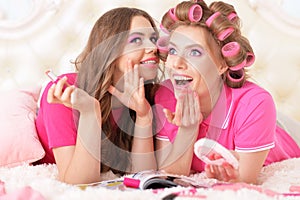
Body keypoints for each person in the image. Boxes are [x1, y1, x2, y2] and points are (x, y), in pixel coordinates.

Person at [154, 0, 300, 184]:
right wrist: (188, 128)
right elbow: (173, 174)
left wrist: (233, 174)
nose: (176, 64)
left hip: (283, 130)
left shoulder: (255, 104)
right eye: (173, 50)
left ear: (222, 64)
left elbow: (245, 180)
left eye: (194, 53)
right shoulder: (165, 96)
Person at [35, 7, 163, 184]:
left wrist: (143, 116)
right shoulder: (67, 91)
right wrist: (90, 112)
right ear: (110, 49)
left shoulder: (149, 95)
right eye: (137, 40)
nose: (152, 48)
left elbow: (144, 178)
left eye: (153, 39)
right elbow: (79, 182)